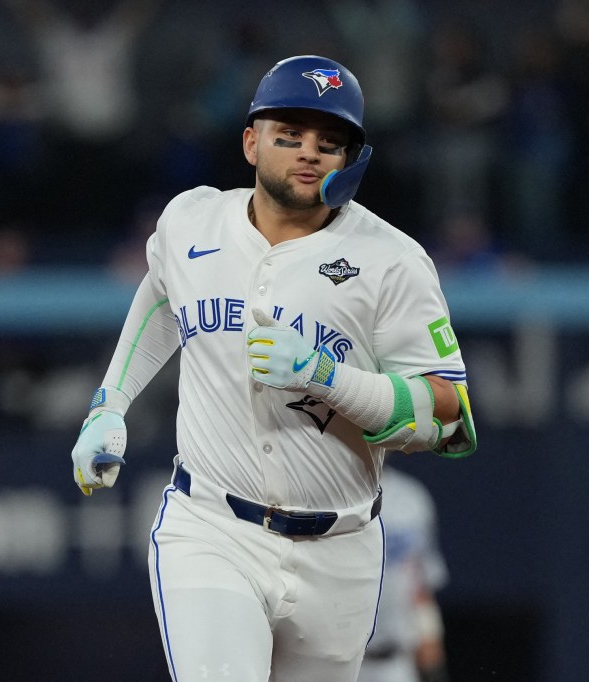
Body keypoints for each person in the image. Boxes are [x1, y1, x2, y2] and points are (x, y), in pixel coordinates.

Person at [70, 55, 477, 682]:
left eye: (329, 141)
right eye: (289, 136)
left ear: (351, 159)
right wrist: (110, 403)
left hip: (341, 549)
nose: (308, 153)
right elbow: (159, 295)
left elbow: (446, 414)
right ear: (251, 142)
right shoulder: (192, 220)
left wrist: (328, 376)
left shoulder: (392, 260)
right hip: (212, 527)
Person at [359, 462, 451, 682]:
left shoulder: (411, 497)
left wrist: (431, 649)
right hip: (331, 661)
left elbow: (420, 586)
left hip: (395, 662)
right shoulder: (326, 493)